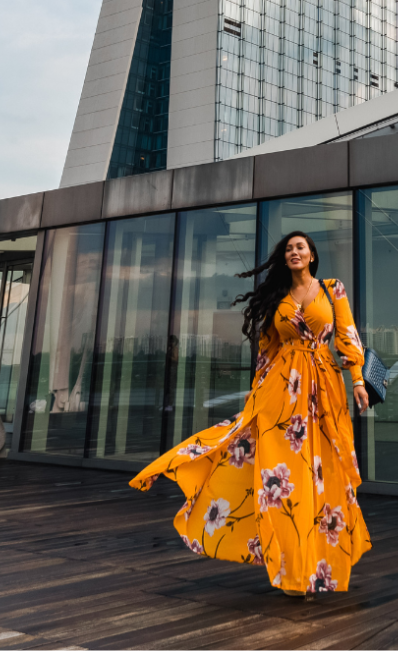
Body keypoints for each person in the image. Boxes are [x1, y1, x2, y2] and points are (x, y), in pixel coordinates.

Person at [129, 231, 371, 598]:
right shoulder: (278, 299)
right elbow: (266, 351)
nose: (294, 252)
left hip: (323, 392)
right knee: (281, 481)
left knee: (322, 476)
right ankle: (292, 572)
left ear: (312, 255)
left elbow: (348, 337)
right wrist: (256, 397)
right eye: (288, 248)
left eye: (300, 247)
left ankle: (316, 565)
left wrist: (358, 380)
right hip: (280, 394)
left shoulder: (332, 289)